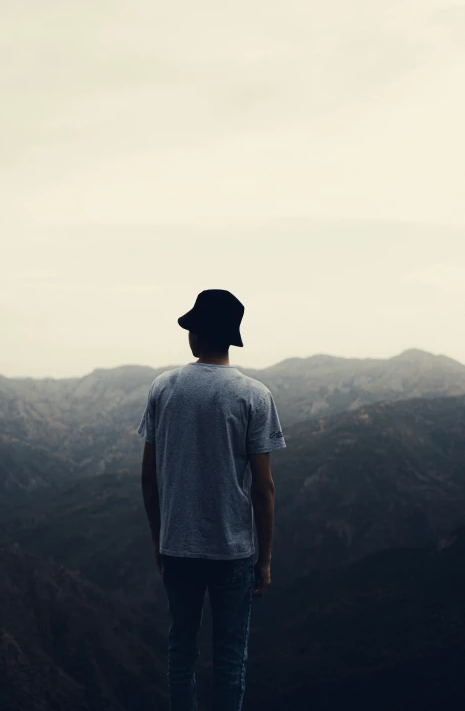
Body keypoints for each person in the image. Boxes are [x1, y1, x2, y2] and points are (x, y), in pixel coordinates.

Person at [137, 289, 286, 711]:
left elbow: (148, 477)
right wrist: (266, 558)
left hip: (177, 546)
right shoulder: (254, 395)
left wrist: (157, 538)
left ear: (195, 336)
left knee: (180, 655)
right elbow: (263, 487)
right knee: (229, 661)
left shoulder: (163, 388)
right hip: (233, 551)